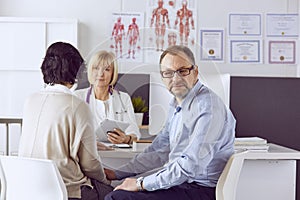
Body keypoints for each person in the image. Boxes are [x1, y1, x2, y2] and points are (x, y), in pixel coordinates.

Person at [104, 45, 236, 200]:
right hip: (182, 185)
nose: (176, 78)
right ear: (162, 77)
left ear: (195, 72)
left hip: (201, 190)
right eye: (168, 73)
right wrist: (118, 173)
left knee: (117, 198)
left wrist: (139, 184)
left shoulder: (209, 108)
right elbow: (159, 150)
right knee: (117, 193)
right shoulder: (176, 104)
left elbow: (190, 166)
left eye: (182, 71)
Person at [18, 42, 113, 200]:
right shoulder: (78, 105)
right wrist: (105, 178)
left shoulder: (30, 100)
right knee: (112, 192)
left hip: (29, 186)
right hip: (65, 190)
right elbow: (90, 165)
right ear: (76, 71)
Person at [74, 50, 140, 145]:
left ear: (113, 73)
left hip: (117, 155)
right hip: (88, 154)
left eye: (107, 69)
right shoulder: (78, 97)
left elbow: (135, 134)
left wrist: (126, 139)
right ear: (90, 71)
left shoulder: (123, 98)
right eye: (96, 68)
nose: (100, 74)